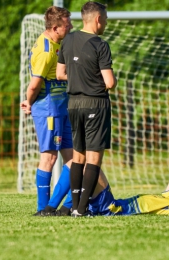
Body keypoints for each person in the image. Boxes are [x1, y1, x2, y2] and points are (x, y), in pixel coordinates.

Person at [40, 141, 169, 217]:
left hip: (110, 208)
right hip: (110, 203)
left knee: (82, 162)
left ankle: (60, 208)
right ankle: (59, 208)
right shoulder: (167, 201)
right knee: (78, 162)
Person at [56, 1, 117, 217]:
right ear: (98, 19)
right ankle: (81, 210)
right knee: (93, 159)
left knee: (77, 157)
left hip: (73, 104)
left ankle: (73, 206)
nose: (106, 23)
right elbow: (109, 82)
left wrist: (79, 78)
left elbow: (60, 74)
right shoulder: (100, 44)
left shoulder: (67, 40)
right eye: (106, 19)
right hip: (95, 103)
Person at [20, 6, 74, 216]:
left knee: (75, 158)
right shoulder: (46, 50)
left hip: (61, 107)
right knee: (49, 158)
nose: (70, 28)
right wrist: (28, 101)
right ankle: (44, 208)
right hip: (49, 108)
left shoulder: (55, 43)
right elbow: (35, 84)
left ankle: (68, 206)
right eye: (67, 25)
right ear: (55, 27)